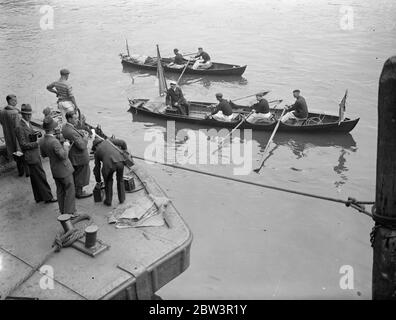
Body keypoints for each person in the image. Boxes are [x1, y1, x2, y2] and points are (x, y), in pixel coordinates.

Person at [15, 104, 56, 203]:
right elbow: (23, 144)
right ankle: (48, 197)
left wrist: (35, 134)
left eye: (30, 114)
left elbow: (29, 135)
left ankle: (38, 197)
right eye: (26, 114)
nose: (29, 116)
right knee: (41, 175)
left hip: (33, 154)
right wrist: (36, 143)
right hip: (31, 155)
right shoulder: (19, 127)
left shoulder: (27, 123)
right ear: (22, 114)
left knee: (35, 177)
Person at [39, 116, 77, 216]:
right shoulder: (54, 142)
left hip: (55, 169)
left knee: (60, 191)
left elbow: (43, 155)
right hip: (64, 170)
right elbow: (64, 156)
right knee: (70, 190)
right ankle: (70, 213)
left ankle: (62, 211)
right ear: (52, 128)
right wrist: (66, 146)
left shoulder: (42, 141)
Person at [61, 111, 92, 199]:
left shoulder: (65, 127)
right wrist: (85, 138)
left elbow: (73, 134)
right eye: (75, 118)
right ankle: (79, 192)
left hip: (73, 156)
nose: (77, 120)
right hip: (79, 158)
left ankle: (76, 190)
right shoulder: (71, 132)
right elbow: (82, 146)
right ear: (70, 119)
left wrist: (79, 132)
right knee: (81, 175)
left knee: (76, 174)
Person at [92, 137, 127, 207]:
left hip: (109, 166)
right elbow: (123, 142)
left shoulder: (96, 152)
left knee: (108, 181)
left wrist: (98, 180)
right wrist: (124, 151)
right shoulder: (109, 141)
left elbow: (97, 168)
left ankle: (108, 201)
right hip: (120, 161)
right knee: (120, 180)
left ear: (96, 146)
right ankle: (122, 199)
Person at [0, 94, 26, 176]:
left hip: (8, 136)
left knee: (15, 153)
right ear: (10, 101)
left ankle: (20, 170)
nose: (16, 102)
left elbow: (2, 123)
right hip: (16, 136)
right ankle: (24, 170)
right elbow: (18, 127)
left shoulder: (2, 112)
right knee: (21, 152)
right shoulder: (15, 113)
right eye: (15, 100)